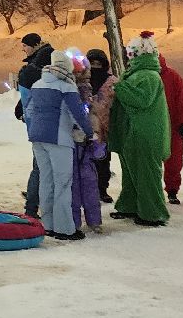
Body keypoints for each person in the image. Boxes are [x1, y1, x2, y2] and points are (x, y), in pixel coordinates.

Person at [24, 50, 93, 240]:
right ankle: (64, 228)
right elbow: (78, 114)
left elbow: (28, 111)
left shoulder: (37, 84)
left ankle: (47, 224)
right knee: (63, 183)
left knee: (46, 181)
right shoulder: (66, 87)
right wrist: (88, 133)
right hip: (59, 138)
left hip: (37, 138)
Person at [109, 36, 171, 227]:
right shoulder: (139, 74)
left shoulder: (148, 76)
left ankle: (152, 212)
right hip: (134, 132)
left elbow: (141, 99)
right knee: (131, 172)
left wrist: (119, 87)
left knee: (146, 174)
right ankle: (130, 204)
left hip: (145, 133)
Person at [16, 32, 54, 217]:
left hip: (38, 125)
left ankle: (34, 202)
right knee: (41, 165)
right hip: (44, 125)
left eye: (25, 45)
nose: (23, 48)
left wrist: (23, 108)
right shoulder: (36, 67)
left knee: (40, 165)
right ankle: (35, 203)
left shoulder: (36, 68)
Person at [156, 40, 183, 206]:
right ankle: (153, 190)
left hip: (173, 126)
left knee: (174, 160)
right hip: (153, 126)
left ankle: (172, 189)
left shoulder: (172, 77)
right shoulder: (140, 76)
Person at [71, 61, 105, 234]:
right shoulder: (83, 92)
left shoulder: (77, 92)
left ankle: (80, 220)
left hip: (81, 144)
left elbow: (92, 115)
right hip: (83, 143)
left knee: (79, 185)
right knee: (85, 184)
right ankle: (91, 220)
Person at [87, 49, 116, 203]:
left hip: (104, 130)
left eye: (98, 63)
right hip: (85, 129)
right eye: (92, 63)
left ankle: (102, 189)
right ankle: (89, 189)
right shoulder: (82, 81)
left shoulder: (111, 82)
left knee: (103, 161)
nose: (95, 67)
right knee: (86, 162)